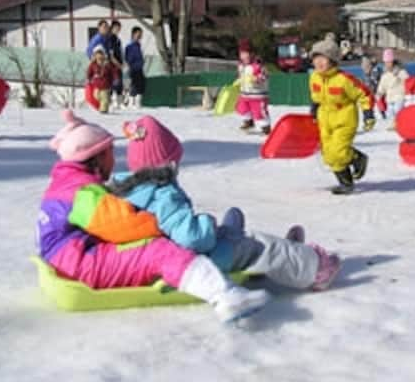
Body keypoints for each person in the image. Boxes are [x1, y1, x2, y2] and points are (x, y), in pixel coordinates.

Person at [38, 110, 269, 322]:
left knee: (153, 248)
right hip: (80, 264)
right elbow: (122, 224)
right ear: (95, 156)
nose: (114, 158)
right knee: (159, 251)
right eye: (110, 152)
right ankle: (224, 296)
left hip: (69, 257)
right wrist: (160, 227)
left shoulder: (67, 183)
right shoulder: (81, 192)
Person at [107, 116, 342, 290]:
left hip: (159, 256)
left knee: (234, 232)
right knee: (257, 245)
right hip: (191, 262)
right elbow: (192, 239)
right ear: (166, 165)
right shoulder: (162, 195)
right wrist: (206, 224)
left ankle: (282, 254)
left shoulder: (127, 190)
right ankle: (313, 267)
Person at [309, 35, 375, 195]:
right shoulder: (314, 77)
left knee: (338, 152)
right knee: (328, 154)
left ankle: (356, 159)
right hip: (324, 119)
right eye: (315, 57)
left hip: (344, 119)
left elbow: (364, 94)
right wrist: (313, 109)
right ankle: (346, 182)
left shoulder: (344, 79)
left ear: (332, 60)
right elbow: (315, 96)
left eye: (323, 58)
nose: (318, 62)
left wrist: (368, 113)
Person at [234, 39, 271, 135]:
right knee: (241, 108)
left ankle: (265, 127)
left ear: (252, 54)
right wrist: (238, 80)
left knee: (259, 111)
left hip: (257, 95)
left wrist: (257, 79)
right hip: (244, 94)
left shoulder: (258, 65)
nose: (245, 56)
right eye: (242, 54)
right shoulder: (241, 65)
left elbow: (265, 75)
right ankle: (248, 122)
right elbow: (240, 76)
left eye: (247, 53)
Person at [376, 49, 408, 129]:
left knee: (398, 110)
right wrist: (379, 93)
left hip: (399, 95)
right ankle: (394, 124)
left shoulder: (400, 71)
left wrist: (399, 75)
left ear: (393, 61)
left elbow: (407, 79)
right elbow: (382, 85)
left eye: (389, 62)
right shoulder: (385, 74)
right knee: (390, 112)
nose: (388, 64)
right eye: (386, 62)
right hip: (389, 97)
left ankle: (400, 124)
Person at [87, 46, 117, 114]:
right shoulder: (93, 64)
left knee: (104, 98)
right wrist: (88, 78)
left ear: (104, 55)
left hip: (106, 85)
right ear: (95, 56)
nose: (99, 57)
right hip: (97, 85)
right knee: (96, 96)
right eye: (97, 55)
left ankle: (103, 110)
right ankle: (107, 100)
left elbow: (114, 71)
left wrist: (116, 79)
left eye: (101, 54)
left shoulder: (108, 64)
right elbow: (89, 72)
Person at [125, 26, 146, 110]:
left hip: (139, 67)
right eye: (138, 34)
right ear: (133, 34)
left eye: (141, 34)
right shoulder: (130, 46)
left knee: (141, 84)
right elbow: (128, 58)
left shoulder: (138, 45)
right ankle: (131, 102)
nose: (140, 36)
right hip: (133, 68)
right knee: (134, 85)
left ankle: (138, 102)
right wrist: (130, 65)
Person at [108, 20, 125, 109]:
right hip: (112, 65)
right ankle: (110, 102)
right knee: (113, 83)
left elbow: (120, 52)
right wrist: (118, 64)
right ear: (112, 28)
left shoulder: (117, 39)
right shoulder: (110, 39)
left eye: (119, 28)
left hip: (118, 64)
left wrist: (123, 62)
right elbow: (111, 55)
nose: (118, 30)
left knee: (119, 84)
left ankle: (119, 102)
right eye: (116, 28)